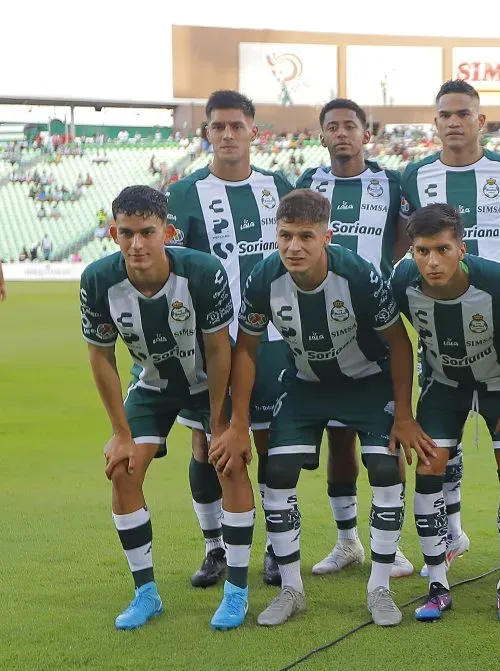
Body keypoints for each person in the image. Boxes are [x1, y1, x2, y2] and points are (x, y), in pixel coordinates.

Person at [212, 189, 432, 627]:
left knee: (385, 468)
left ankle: (380, 588)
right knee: (276, 472)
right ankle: (292, 589)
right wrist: (238, 423)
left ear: (327, 236)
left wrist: (404, 416)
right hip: (307, 385)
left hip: (368, 384)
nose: (294, 247)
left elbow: (399, 343)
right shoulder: (262, 278)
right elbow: (247, 352)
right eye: (286, 236)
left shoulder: (358, 275)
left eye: (306, 237)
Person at [80, 185, 254, 631]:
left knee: (228, 463)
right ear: (113, 232)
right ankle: (146, 594)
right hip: (153, 384)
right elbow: (101, 356)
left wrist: (221, 425)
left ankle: (236, 591)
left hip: (207, 382)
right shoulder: (98, 279)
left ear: (168, 232)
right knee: (121, 469)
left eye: (147, 232)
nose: (136, 244)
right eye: (126, 233)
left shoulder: (201, 271)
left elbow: (219, 352)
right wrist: (120, 433)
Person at [401, 80, 500, 581]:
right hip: (441, 331)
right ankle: (450, 535)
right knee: (443, 447)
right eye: (445, 115)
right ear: (434, 123)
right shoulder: (415, 175)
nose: (454, 122)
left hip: (496, 323)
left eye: (464, 113)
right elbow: (408, 246)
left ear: (481, 121)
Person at [167, 90, 294, 589]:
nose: (226, 134)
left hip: (274, 339)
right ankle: (215, 547)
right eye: (217, 126)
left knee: (267, 443)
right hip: (209, 344)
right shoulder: (183, 193)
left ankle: (270, 547)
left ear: (252, 132)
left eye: (235, 126)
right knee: (206, 444)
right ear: (206, 133)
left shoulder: (278, 186)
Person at [390, 203, 500, 623]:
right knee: (429, 467)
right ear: (411, 251)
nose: (432, 261)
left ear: (461, 248)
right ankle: (437, 583)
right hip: (444, 386)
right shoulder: (403, 281)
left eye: (442, 249)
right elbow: (394, 338)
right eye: (422, 251)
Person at [295, 98, 415, 579]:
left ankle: (394, 543)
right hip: (319, 325)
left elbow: (404, 235)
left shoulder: (389, 183)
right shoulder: (309, 183)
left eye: (350, 126)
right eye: (332, 127)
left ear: (367, 134)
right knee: (338, 438)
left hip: (375, 325)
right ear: (321, 135)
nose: (341, 133)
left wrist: (379, 269)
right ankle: (347, 542)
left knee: (387, 439)